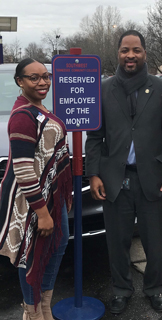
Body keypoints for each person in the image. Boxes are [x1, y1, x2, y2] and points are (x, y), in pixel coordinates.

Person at [85, 30, 162, 314]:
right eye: (125, 50)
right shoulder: (102, 89)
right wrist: (94, 174)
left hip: (153, 177)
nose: (130, 55)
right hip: (115, 178)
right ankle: (121, 290)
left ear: (144, 54)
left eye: (136, 50)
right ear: (118, 53)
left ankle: (154, 289)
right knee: (117, 241)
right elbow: (94, 137)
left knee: (154, 240)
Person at [0, 58, 72, 320]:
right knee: (31, 254)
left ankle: (44, 308)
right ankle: (32, 313)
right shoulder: (22, 116)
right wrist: (42, 212)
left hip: (50, 193)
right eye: (34, 77)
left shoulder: (39, 108)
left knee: (57, 244)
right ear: (20, 81)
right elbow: (23, 169)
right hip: (33, 200)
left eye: (46, 76)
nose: (42, 82)